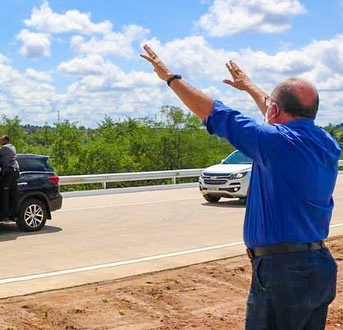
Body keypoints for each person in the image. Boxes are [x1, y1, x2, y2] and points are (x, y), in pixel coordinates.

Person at [141, 44, 340, 329]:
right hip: (319, 267)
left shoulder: (273, 142)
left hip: (284, 272)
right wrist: (250, 87)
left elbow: (214, 112)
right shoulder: (325, 142)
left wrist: (170, 77)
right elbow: (277, 115)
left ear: (274, 110)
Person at [0, 135, 20, 220]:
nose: (0, 142)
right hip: (15, 171)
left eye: (1, 140)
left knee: (5, 194)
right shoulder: (12, 147)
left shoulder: (4, 148)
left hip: (9, 172)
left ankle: (5, 215)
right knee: (14, 194)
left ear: (5, 141)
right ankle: (15, 215)